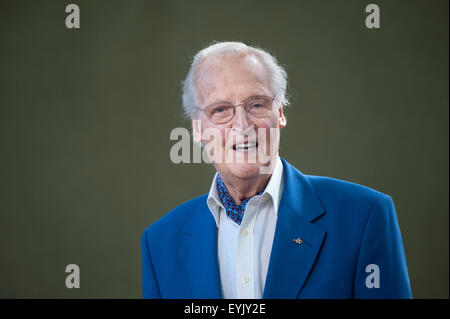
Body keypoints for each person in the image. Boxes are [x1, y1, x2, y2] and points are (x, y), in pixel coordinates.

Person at [141, 41, 412, 299]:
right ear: (198, 128)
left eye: (256, 104)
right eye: (221, 109)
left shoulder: (363, 216)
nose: (242, 125)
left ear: (279, 112)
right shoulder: (160, 243)